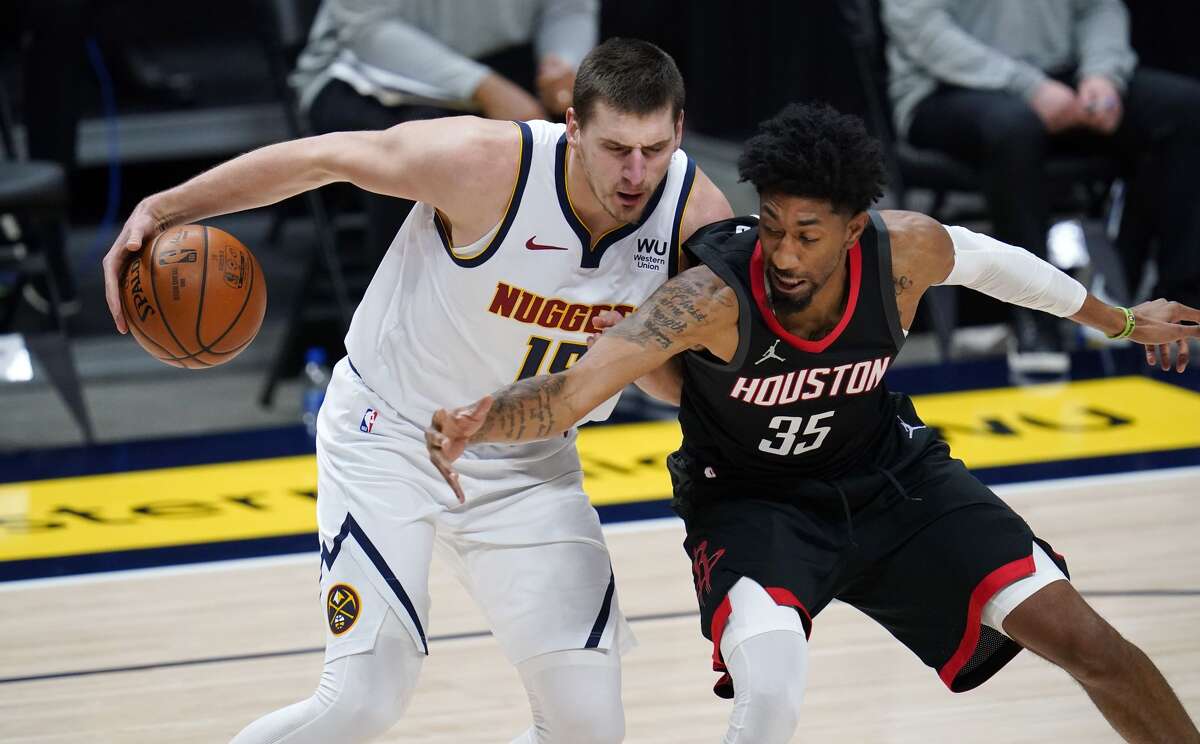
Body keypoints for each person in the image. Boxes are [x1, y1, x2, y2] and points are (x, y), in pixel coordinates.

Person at [426, 103, 1200, 743]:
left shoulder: (905, 252)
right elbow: (575, 386)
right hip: (755, 505)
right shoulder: (712, 299)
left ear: (855, 229)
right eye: (771, 227)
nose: (784, 253)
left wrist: (1124, 322)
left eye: (808, 234)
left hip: (893, 479)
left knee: (1089, 642)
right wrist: (479, 420)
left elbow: (1000, 267)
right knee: (768, 699)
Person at [101, 38, 731, 744]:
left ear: (678, 130)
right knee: (363, 696)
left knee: (589, 727)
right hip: (391, 430)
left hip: (529, 463)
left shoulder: (695, 215)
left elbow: (691, 392)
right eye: (617, 148)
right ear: (574, 127)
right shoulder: (484, 164)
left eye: (654, 148)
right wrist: (164, 207)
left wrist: (637, 353)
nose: (636, 173)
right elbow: (322, 158)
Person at [882, 0, 1200, 366]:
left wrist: (1102, 76)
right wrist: (1028, 86)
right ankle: (1035, 318)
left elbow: (1099, 8)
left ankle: (1168, 302)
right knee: (1014, 128)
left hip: (1063, 78)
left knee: (1185, 111)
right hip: (946, 89)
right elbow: (920, 28)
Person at [292, 0, 598, 258]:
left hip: (506, 60)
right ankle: (412, 314)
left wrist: (562, 65)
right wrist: (485, 88)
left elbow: (568, 9)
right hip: (363, 67)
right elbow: (367, 30)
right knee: (422, 147)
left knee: (598, 125)